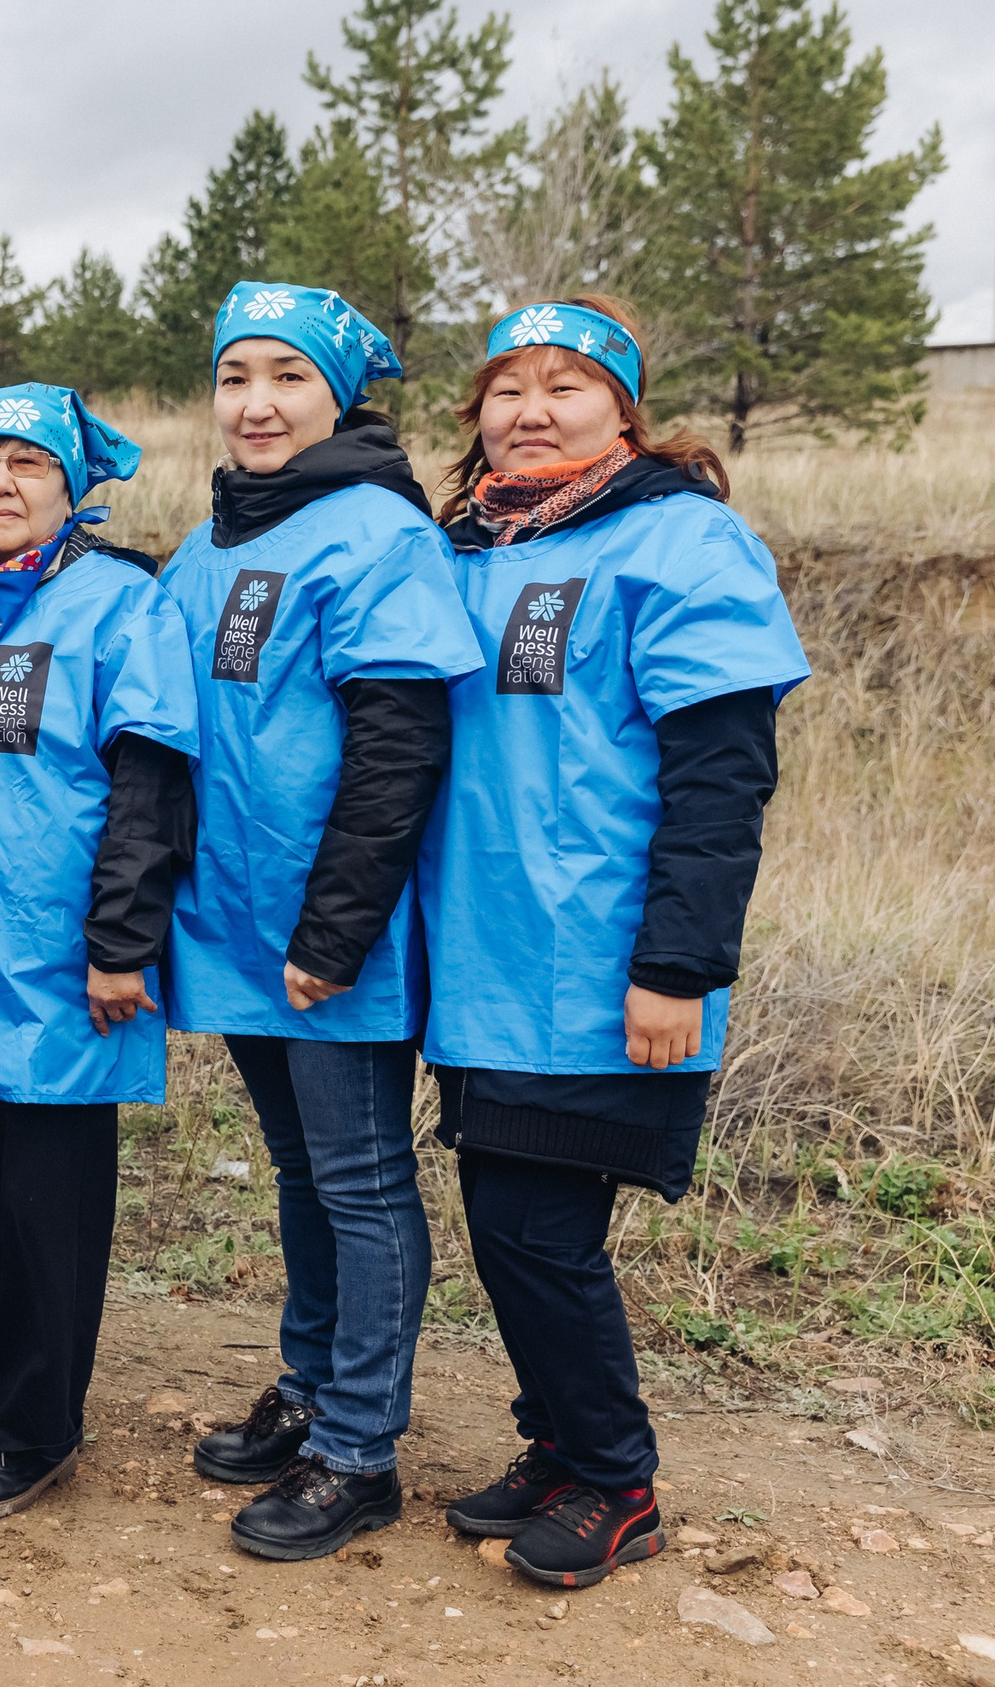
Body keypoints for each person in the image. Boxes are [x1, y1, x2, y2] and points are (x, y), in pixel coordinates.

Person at [421, 294, 807, 1589]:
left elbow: (721, 777)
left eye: (566, 386)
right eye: (507, 387)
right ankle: (557, 1440)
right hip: (480, 958)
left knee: (538, 1226)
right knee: (505, 1215)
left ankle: (617, 1479)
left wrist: (678, 962)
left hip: (600, 962)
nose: (530, 410)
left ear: (624, 413)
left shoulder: (684, 543)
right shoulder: (461, 546)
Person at [160, 284, 485, 1561]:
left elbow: (397, 747)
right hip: (236, 923)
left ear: (338, 398)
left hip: (323, 933)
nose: (255, 402)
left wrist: (334, 933)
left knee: (358, 1177)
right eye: (236, 375)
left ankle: (360, 1448)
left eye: (286, 378)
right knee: (301, 1169)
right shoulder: (211, 542)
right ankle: (308, 1388)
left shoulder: (376, 534)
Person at [0, 383, 200, 1522]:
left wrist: (122, 944)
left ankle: (38, 1425)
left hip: (51, 962)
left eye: (28, 465)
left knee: (40, 1205)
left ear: (71, 488)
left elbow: (150, 781)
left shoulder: (116, 602)